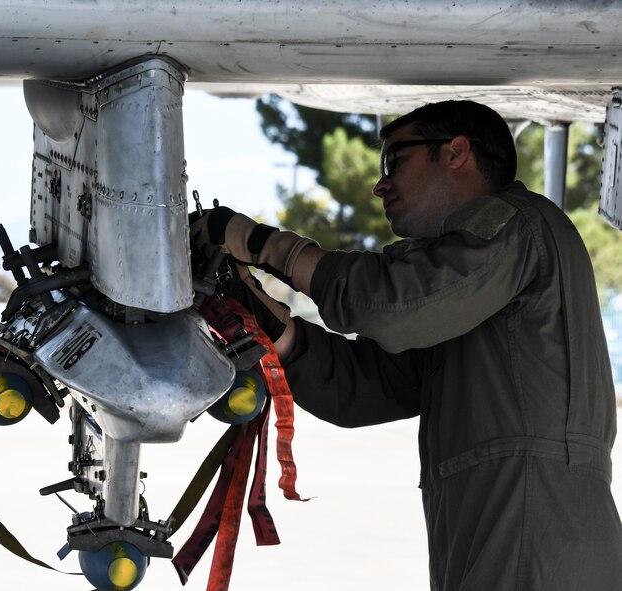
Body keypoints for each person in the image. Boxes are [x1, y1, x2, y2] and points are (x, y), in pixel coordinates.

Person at [191, 100, 622, 590]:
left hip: (537, 543)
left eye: (395, 160)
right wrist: (265, 323)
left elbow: (387, 303)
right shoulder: (467, 293)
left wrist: (263, 244)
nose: (380, 183)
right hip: (502, 536)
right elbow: (368, 387)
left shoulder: (516, 227)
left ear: (455, 152)